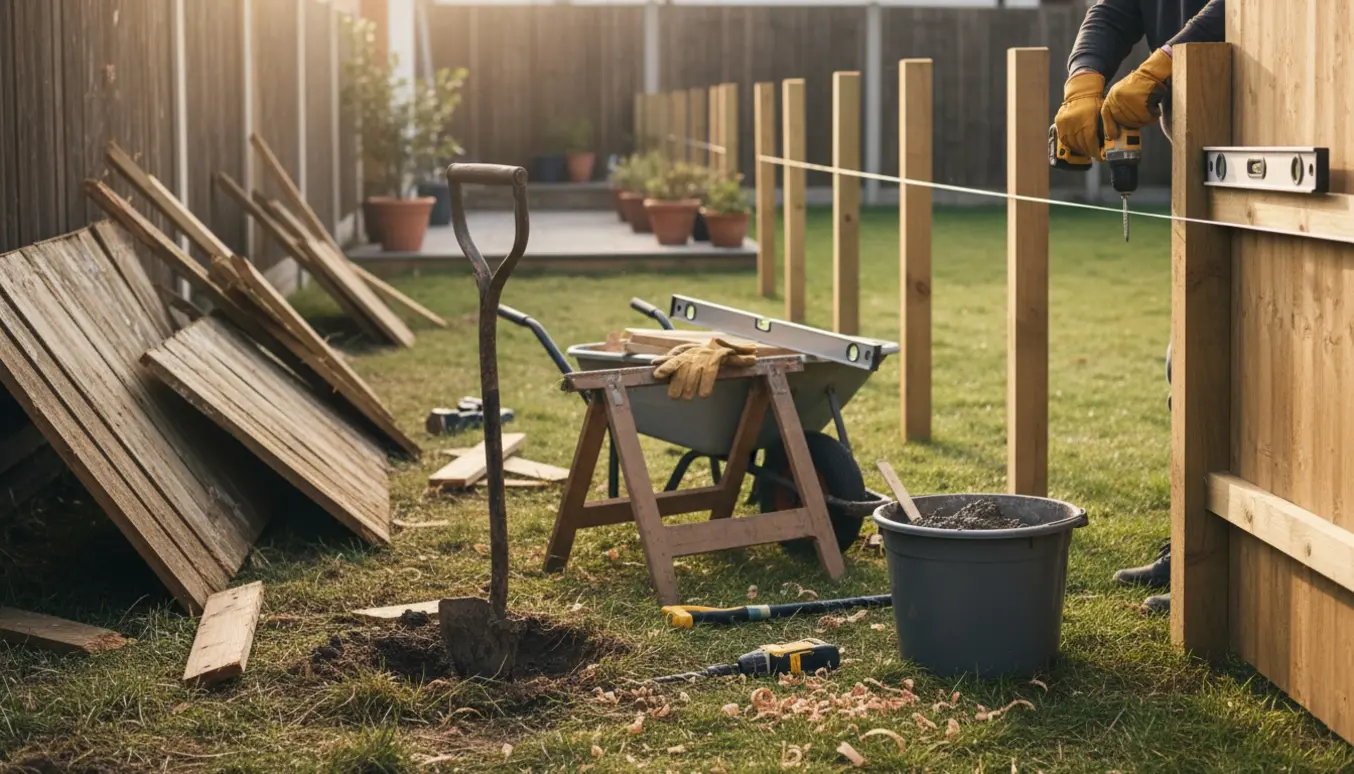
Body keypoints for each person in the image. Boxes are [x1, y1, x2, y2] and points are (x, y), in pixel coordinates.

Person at [1053, 0, 1225, 615]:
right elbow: (1112, 12)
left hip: (1271, 150)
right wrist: (1083, 80)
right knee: (1187, 367)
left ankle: (1214, 567)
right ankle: (1191, 547)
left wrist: (1162, 61)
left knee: (1227, 370)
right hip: (1206, 165)